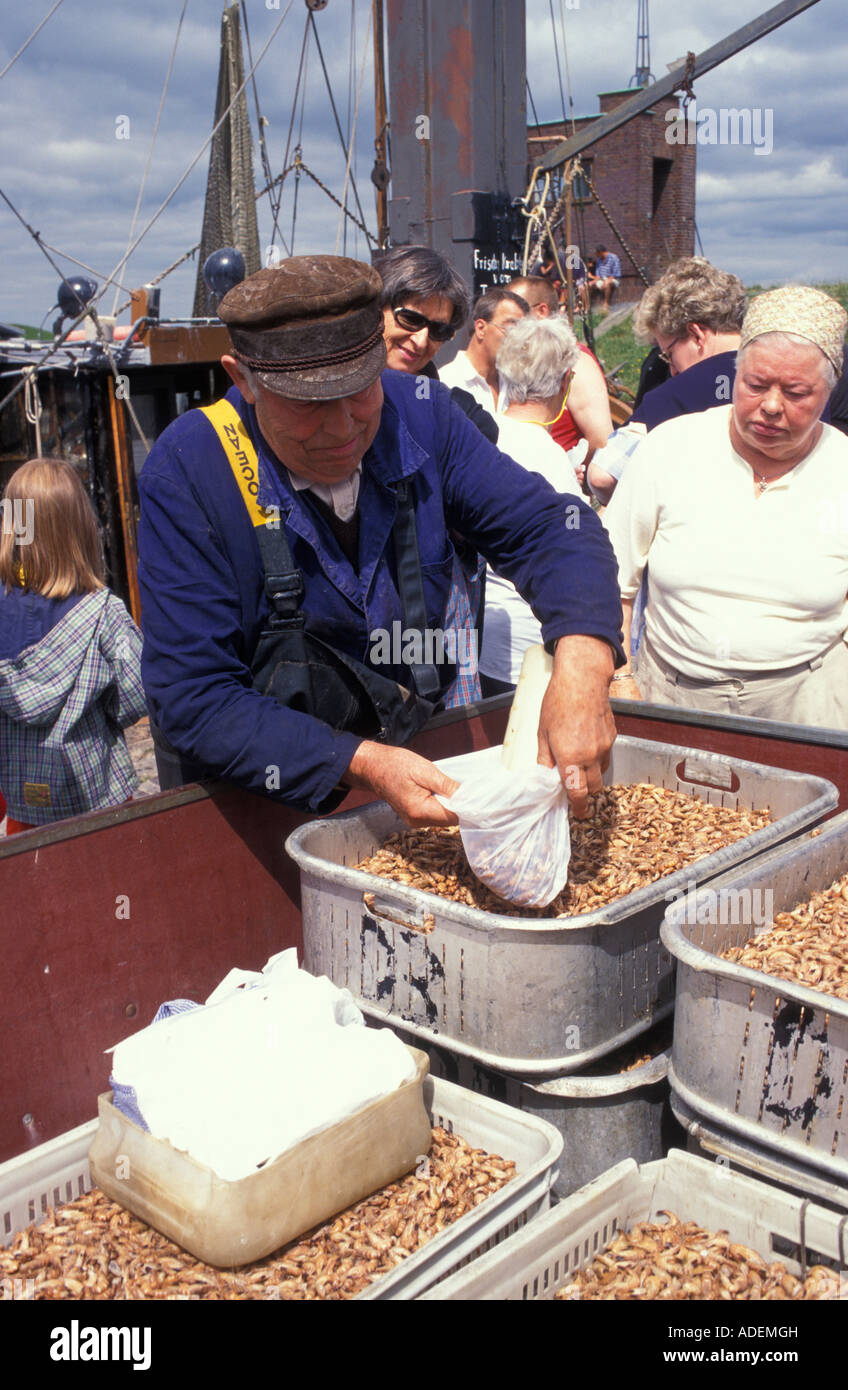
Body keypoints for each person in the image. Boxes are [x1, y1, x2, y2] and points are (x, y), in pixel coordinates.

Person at [137, 255, 625, 826]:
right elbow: (194, 697)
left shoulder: (422, 414)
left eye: (361, 390)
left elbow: (550, 529)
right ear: (243, 379)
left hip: (408, 761)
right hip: (259, 798)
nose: (343, 427)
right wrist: (362, 762)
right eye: (312, 403)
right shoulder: (189, 469)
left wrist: (586, 658)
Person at [603, 285, 848, 726]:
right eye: (755, 385)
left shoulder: (841, 468)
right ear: (735, 374)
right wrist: (621, 679)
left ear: (827, 393)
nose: (771, 406)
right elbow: (612, 577)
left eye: (796, 393)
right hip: (670, 697)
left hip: (808, 704)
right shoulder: (671, 447)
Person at [0, 458, 146, 834]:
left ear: (12, 527)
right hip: (99, 808)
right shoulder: (104, 613)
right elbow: (137, 698)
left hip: (22, 812)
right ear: (80, 528)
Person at [373, 244, 487, 705]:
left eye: (438, 329)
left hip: (432, 597)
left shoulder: (453, 410)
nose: (421, 340)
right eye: (409, 319)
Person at [477, 316, 583, 693]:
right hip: (529, 645)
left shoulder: (479, 436)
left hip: (483, 633)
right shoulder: (549, 457)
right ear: (566, 381)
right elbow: (573, 552)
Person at [588, 257, 747, 504]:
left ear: (696, 335)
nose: (672, 370)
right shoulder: (792, 378)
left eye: (669, 354)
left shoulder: (672, 397)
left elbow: (603, 476)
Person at [508, 275, 614, 487]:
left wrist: (571, 474)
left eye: (514, 315)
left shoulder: (576, 363)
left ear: (542, 311)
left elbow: (601, 440)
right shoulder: (516, 356)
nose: (507, 323)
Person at [437, 287, 528, 415]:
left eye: (523, 333)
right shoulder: (447, 383)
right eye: (511, 330)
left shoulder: (516, 384)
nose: (517, 339)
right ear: (480, 328)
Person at [589, 244, 622, 313]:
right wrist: (593, 281)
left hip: (613, 279)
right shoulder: (599, 261)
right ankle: (590, 305)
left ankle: (606, 304)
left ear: (600, 252)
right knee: (590, 284)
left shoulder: (614, 258)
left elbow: (615, 274)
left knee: (607, 283)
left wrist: (606, 280)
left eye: (596, 253)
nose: (596, 255)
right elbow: (598, 275)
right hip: (602, 279)